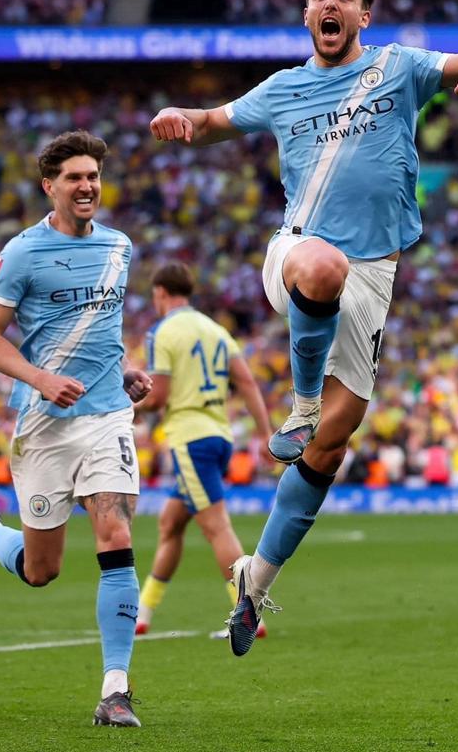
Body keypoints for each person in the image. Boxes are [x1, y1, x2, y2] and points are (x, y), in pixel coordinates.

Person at [149, 0, 458, 657]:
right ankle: (301, 402)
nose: (330, 2)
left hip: (376, 273)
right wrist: (180, 117)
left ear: (362, 15)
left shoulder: (397, 66)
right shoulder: (283, 88)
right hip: (298, 252)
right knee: (323, 268)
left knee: (335, 440)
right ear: (306, 15)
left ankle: (255, 582)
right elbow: (214, 119)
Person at [0, 130, 152, 726]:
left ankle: (115, 691)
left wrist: (122, 371)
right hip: (44, 425)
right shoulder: (21, 253)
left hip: (107, 416)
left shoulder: (119, 246)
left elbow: (98, 328)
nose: (87, 186)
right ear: (49, 186)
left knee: (115, 534)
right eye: (74, 178)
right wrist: (40, 379)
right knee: (42, 571)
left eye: (93, 176)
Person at [131, 261, 274, 639]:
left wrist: (127, 408)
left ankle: (250, 615)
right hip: (219, 436)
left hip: (190, 438)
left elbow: (158, 396)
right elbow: (247, 382)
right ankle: (143, 612)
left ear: (160, 293)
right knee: (171, 523)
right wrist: (265, 434)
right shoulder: (215, 330)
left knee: (217, 528)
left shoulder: (162, 332)